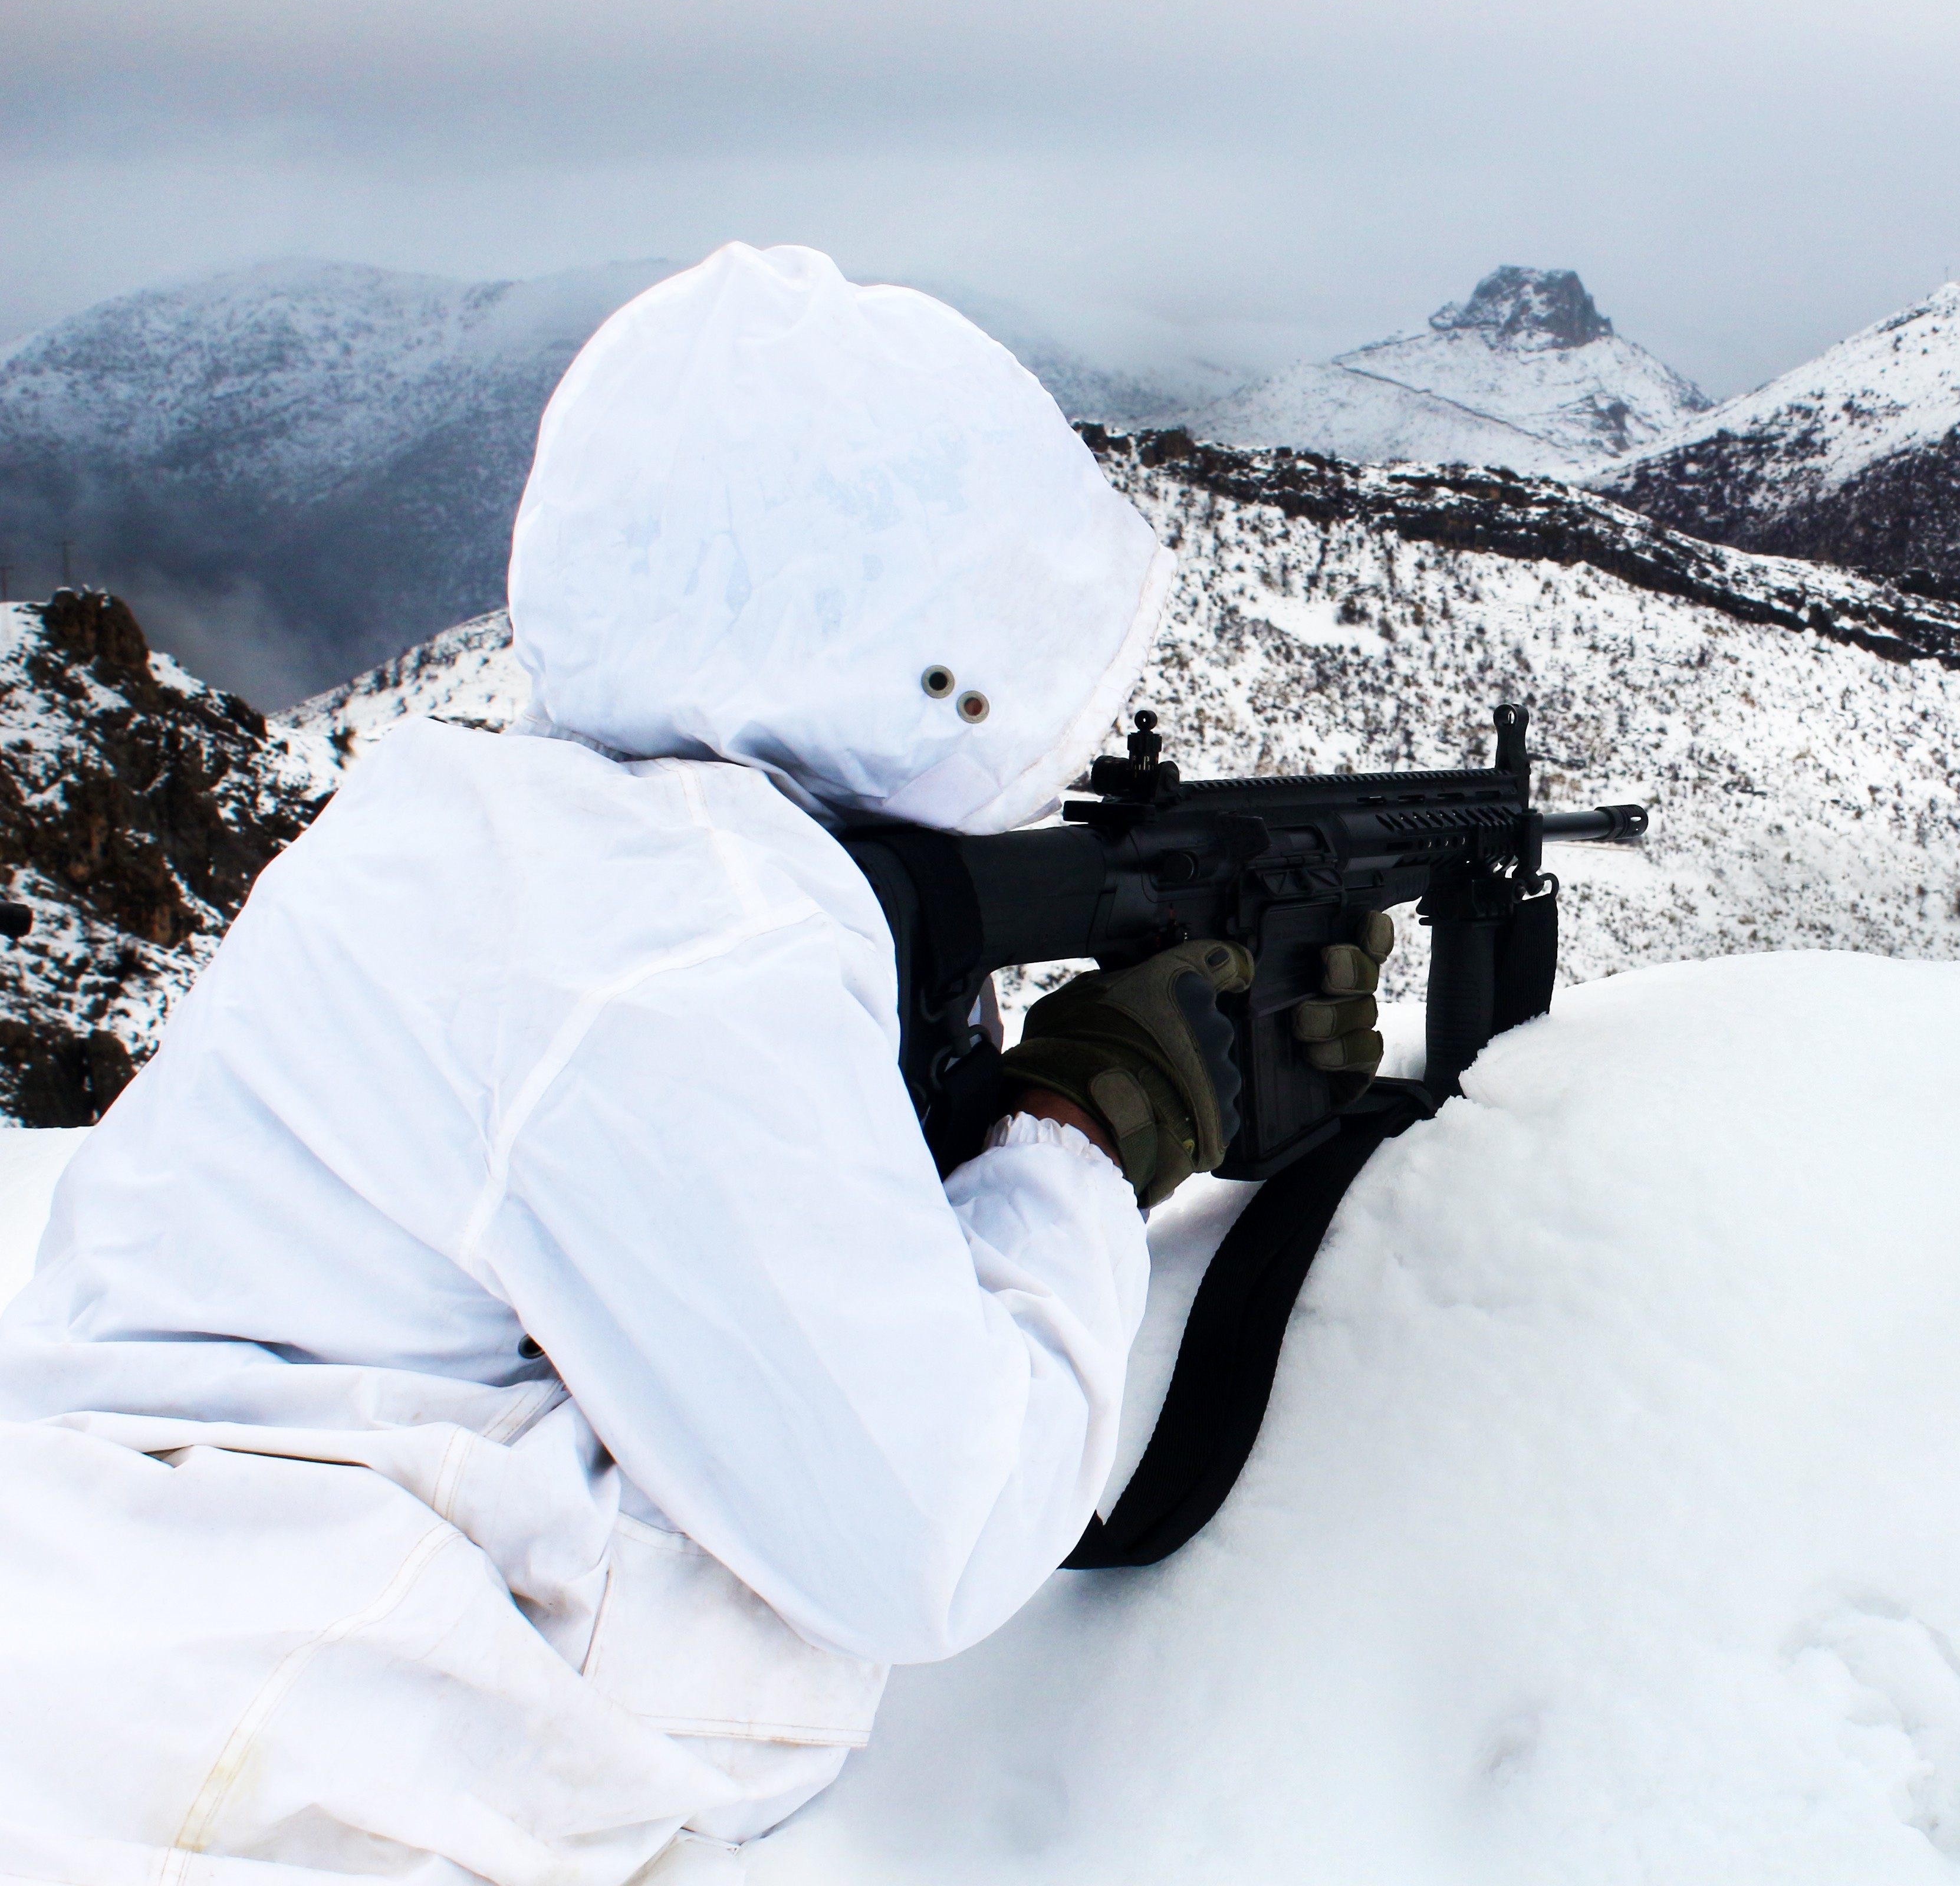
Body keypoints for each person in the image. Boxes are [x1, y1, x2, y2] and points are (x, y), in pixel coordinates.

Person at [0, 244, 1241, 1881]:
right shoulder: (688, 940)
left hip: (107, 1644)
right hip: (279, 1756)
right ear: (921, 633)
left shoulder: (458, 833)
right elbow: (932, 1532)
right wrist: (1086, 1129)